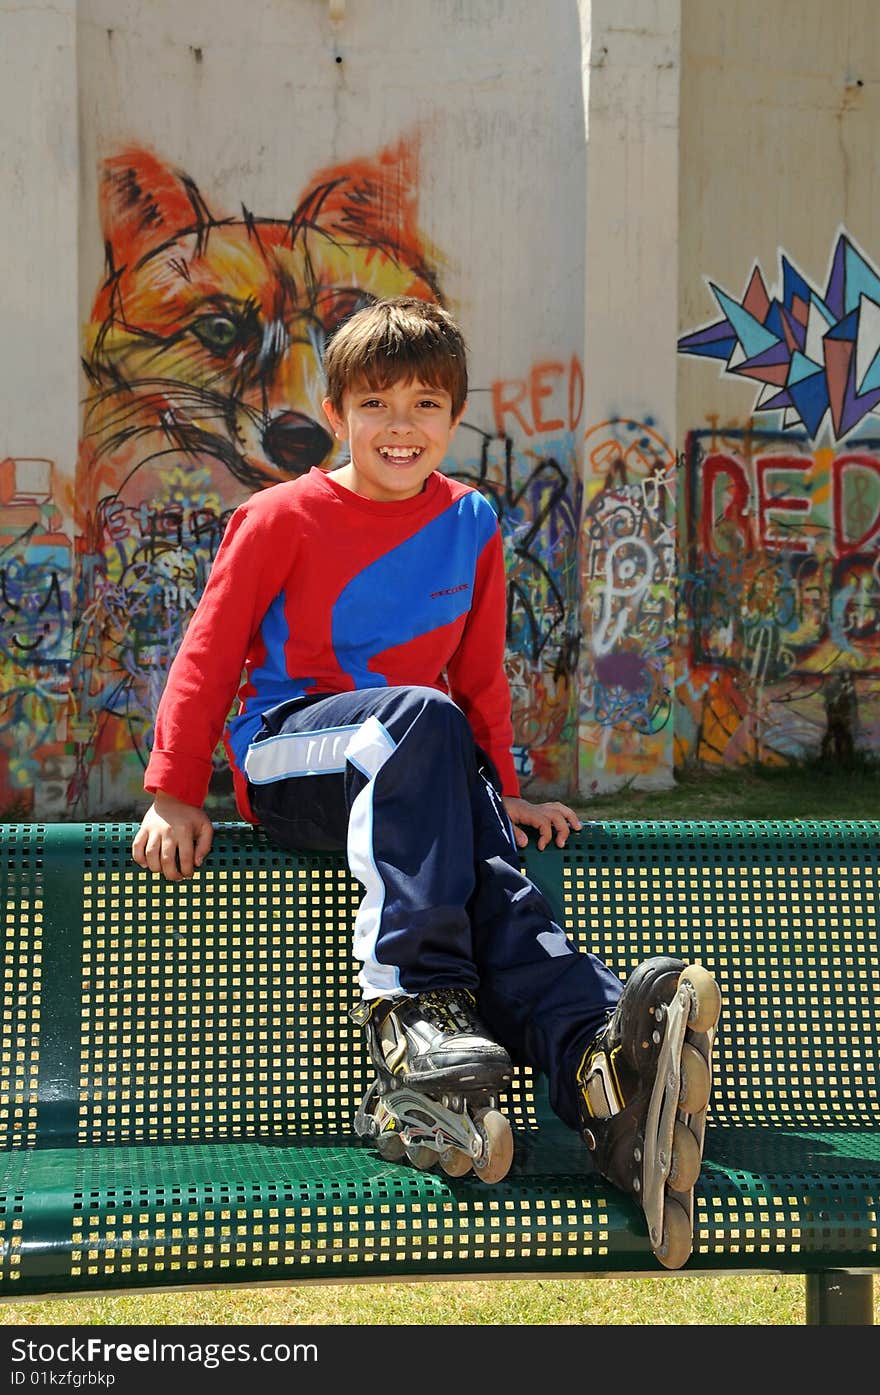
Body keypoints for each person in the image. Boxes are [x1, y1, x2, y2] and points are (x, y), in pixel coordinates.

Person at [132, 295, 720, 1268]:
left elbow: (479, 672)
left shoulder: (473, 521)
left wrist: (509, 786)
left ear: (454, 418)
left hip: (414, 755)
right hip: (291, 754)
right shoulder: (278, 517)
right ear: (336, 414)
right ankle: (415, 1020)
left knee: (485, 843)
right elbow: (207, 653)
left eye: (423, 403)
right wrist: (172, 788)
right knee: (417, 722)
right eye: (375, 403)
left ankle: (595, 1065)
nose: (399, 425)